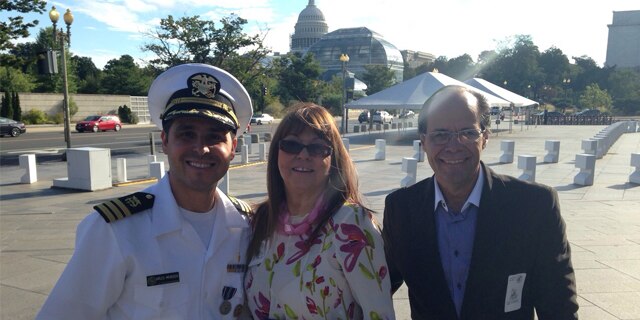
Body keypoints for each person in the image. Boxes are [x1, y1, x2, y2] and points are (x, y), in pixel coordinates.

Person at [37, 63, 254, 319]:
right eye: (186, 134)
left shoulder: (247, 226)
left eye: (214, 137)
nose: (201, 148)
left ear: (233, 147)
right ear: (164, 141)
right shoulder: (114, 228)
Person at [383, 85, 578, 319]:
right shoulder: (402, 208)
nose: (454, 145)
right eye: (440, 135)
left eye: (468, 132)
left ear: (485, 137)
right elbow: (378, 283)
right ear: (423, 142)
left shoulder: (533, 206)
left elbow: (559, 305)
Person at [244, 103, 395, 320]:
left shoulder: (350, 224)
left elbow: (379, 314)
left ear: (333, 158)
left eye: (317, 148)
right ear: (277, 151)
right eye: (291, 145)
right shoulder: (261, 221)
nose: (303, 155)